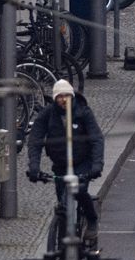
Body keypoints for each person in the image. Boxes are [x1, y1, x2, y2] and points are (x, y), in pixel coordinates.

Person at [26, 78, 103, 236]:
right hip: (60, 163)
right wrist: (34, 167)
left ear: (72, 96)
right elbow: (35, 141)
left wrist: (97, 165)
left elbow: (96, 139)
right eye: (59, 97)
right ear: (55, 99)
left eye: (66, 96)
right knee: (63, 204)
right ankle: (61, 241)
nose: (63, 100)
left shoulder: (83, 112)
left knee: (79, 190)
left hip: (82, 162)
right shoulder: (47, 114)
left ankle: (92, 220)